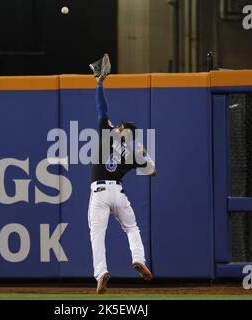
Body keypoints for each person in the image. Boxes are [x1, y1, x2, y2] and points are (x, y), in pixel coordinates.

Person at [88, 54, 156, 294]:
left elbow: (101, 107)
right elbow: (152, 170)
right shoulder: (130, 154)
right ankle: (139, 259)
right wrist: (141, 151)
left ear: (120, 128)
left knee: (97, 235)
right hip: (118, 194)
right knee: (132, 229)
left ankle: (101, 273)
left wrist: (99, 82)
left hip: (99, 193)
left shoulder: (107, 132)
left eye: (120, 125)